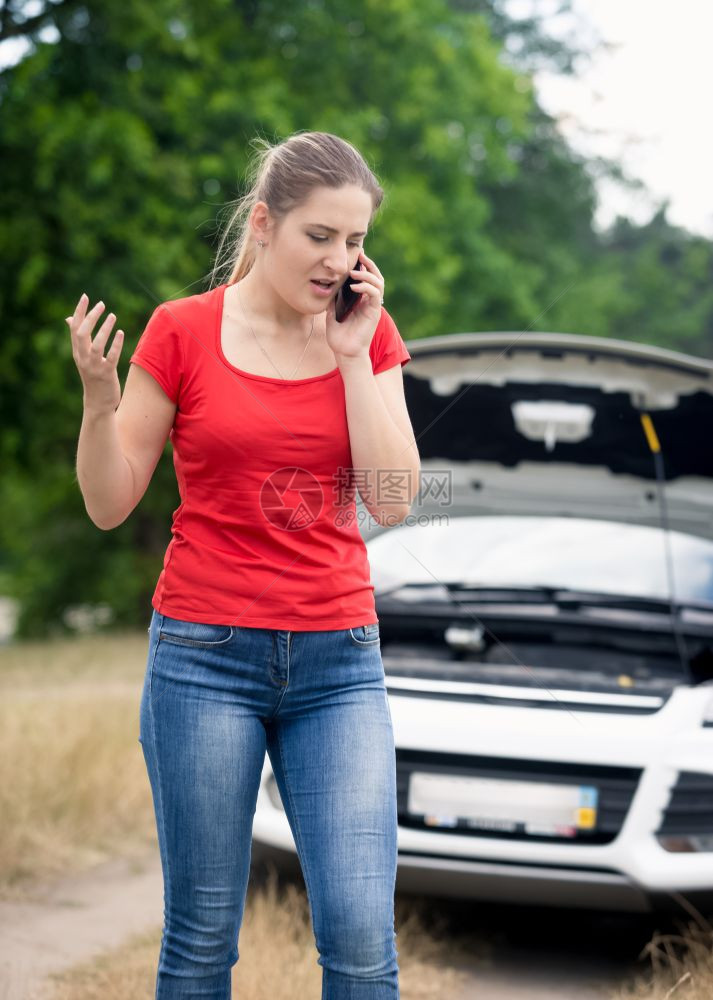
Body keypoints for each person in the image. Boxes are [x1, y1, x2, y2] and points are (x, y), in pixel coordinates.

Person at [68, 130, 420, 999]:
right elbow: (110, 502)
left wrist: (350, 358)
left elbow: (395, 498)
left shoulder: (366, 335)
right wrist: (100, 404)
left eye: (356, 241)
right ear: (263, 224)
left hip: (338, 662)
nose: (340, 261)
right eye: (320, 236)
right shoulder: (181, 332)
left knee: (361, 942)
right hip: (203, 659)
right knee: (199, 941)